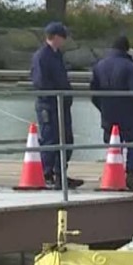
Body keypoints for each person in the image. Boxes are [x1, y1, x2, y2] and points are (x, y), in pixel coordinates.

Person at [91, 36, 133, 191]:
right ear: (127, 49)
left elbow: (93, 93)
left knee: (113, 145)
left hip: (108, 115)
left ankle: (112, 175)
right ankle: (130, 175)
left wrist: (102, 108)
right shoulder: (130, 67)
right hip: (129, 115)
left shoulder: (99, 66)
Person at [31, 22, 81, 189]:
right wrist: (56, 95)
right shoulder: (41, 56)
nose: (64, 40)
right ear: (56, 37)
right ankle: (47, 174)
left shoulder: (57, 55)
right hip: (49, 104)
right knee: (50, 139)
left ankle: (60, 173)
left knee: (66, 139)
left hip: (62, 104)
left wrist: (67, 95)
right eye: (63, 37)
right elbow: (40, 82)